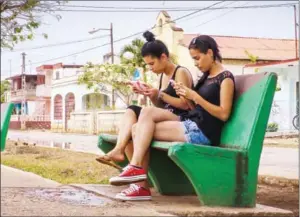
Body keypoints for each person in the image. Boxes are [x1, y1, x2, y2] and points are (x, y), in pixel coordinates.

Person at [109, 35, 236, 201]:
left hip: (203, 132)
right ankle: (139, 182)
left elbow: (224, 114)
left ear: (210, 53)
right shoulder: (205, 77)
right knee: (137, 126)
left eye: (197, 58)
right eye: (193, 59)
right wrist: (184, 95)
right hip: (193, 124)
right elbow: (192, 107)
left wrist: (194, 97)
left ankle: (136, 170)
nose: (196, 63)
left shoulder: (225, 78)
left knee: (142, 122)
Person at [96, 30, 194, 170]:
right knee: (131, 111)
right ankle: (119, 149)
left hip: (182, 119)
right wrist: (151, 94)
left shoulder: (181, 72)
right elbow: (161, 106)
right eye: (148, 64)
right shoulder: (162, 76)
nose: (150, 68)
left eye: (152, 63)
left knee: (142, 118)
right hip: (167, 116)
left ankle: (135, 168)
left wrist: (160, 94)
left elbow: (185, 105)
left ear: (164, 57)